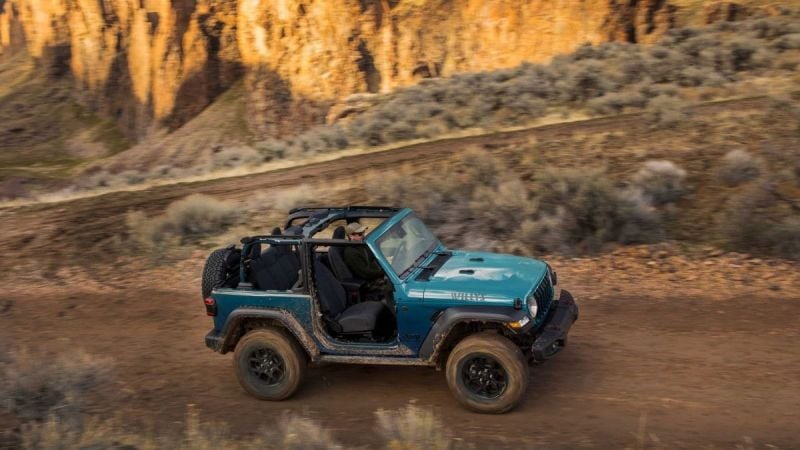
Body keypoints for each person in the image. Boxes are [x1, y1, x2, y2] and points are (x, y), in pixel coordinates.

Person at [343, 222, 391, 301]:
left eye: (363, 233)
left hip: (376, 277)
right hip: (369, 283)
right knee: (393, 289)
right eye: (360, 234)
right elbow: (365, 273)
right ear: (351, 236)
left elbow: (374, 257)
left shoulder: (361, 246)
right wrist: (384, 272)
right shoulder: (351, 253)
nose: (363, 235)